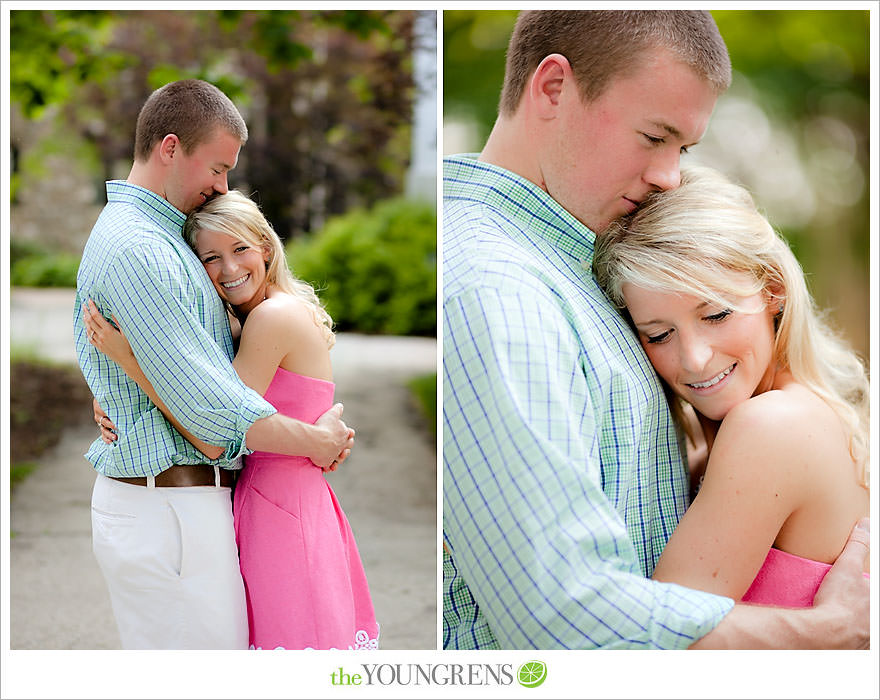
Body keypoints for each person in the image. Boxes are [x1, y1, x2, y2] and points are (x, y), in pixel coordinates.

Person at [442, 9, 869, 649]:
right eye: (653, 136)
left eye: (683, 149)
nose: (669, 174)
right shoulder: (497, 290)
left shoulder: (576, 268)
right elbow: (562, 618)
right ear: (553, 87)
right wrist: (824, 632)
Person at [73, 79, 355, 650]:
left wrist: (122, 381)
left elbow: (189, 364)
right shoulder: (142, 249)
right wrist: (315, 440)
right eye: (218, 168)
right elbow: (211, 422)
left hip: (182, 507)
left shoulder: (158, 235)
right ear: (171, 148)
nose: (222, 186)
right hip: (169, 509)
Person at [592, 164, 869, 606]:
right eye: (659, 334)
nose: (695, 358)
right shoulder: (794, 418)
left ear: (773, 290)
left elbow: (658, 637)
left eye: (716, 314)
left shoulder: (771, 426)